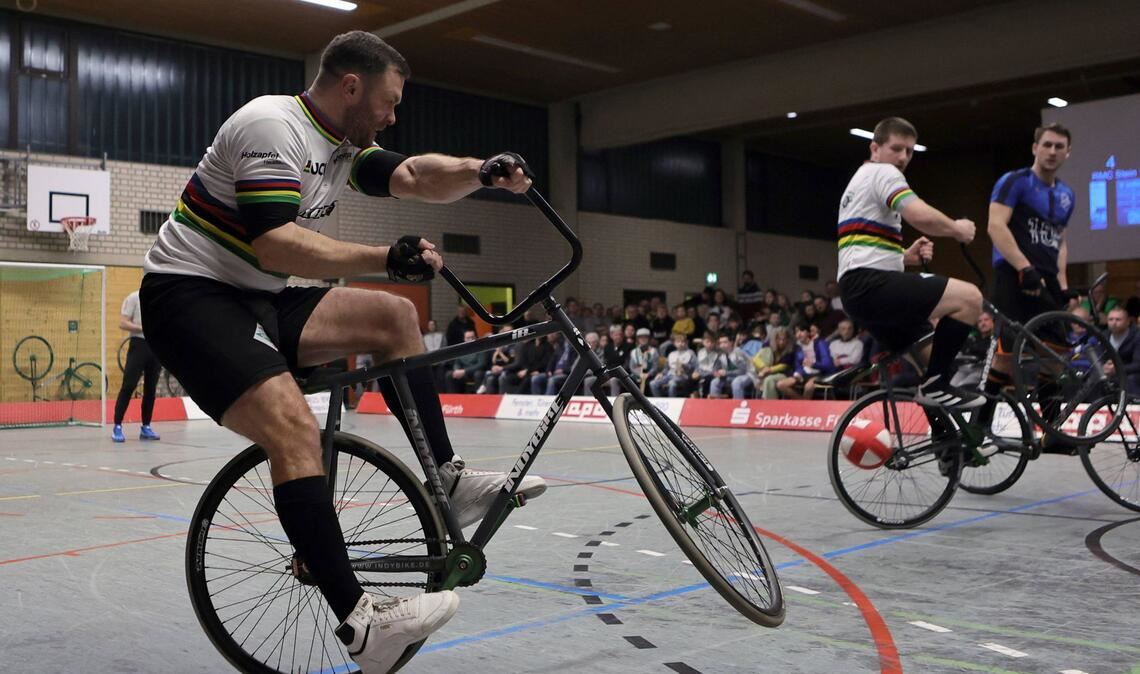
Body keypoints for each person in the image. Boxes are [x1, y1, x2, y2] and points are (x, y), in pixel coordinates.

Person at [138, 32, 546, 673]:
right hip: (190, 297)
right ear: (350, 85)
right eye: (387, 102)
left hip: (257, 296)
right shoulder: (272, 127)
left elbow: (412, 175)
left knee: (390, 315)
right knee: (292, 426)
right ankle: (362, 624)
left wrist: (481, 172)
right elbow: (274, 244)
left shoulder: (341, 146)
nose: (391, 116)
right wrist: (384, 257)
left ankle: (448, 477)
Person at [836, 116, 983, 408]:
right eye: (896, 148)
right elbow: (919, 215)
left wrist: (904, 257)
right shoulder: (883, 173)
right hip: (872, 286)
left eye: (910, 151)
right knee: (970, 298)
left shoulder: (857, 182)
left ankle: (949, 447)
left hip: (857, 291)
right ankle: (934, 387)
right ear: (874, 149)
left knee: (933, 362)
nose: (903, 157)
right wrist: (958, 228)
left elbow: (857, 251)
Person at [111, 289, 162, 443]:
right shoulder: (134, 297)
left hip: (155, 345)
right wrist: (142, 328)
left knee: (150, 388)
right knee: (128, 385)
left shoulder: (159, 297)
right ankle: (117, 426)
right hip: (139, 345)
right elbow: (123, 322)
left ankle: (146, 426)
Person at [777, 323, 835, 399]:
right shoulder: (798, 347)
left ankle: (803, 406)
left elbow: (828, 364)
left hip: (820, 373)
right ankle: (802, 403)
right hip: (804, 374)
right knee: (781, 384)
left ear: (808, 332)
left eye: (801, 331)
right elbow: (798, 365)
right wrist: (798, 373)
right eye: (796, 332)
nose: (798, 334)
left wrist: (814, 364)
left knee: (808, 387)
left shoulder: (820, 343)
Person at [1103, 307, 1140, 395]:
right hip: (1110, 373)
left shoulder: (1137, 337)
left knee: (1131, 379)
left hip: (1131, 374)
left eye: (1118, 320)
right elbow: (1098, 356)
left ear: (1128, 322)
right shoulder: (1103, 336)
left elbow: (1138, 364)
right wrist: (1103, 366)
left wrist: (1117, 369)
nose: (1114, 323)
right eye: (1111, 319)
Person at [649, 332, 696, 397]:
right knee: (653, 383)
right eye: (678, 342)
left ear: (686, 343)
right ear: (674, 343)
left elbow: (693, 367)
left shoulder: (690, 353)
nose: (680, 344)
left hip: (683, 376)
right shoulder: (672, 354)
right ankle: (660, 403)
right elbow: (667, 368)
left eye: (682, 342)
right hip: (669, 375)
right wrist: (661, 374)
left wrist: (684, 366)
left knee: (672, 383)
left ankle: (672, 403)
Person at [444, 329, 488, 393]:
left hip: (475, 372)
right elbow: (457, 362)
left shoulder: (481, 348)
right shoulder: (462, 349)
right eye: (468, 338)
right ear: (464, 339)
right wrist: (457, 370)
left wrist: (465, 371)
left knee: (478, 374)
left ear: (476, 338)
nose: (470, 340)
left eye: (472, 337)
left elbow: (481, 364)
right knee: (449, 375)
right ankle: (453, 399)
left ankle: (479, 398)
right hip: (463, 374)